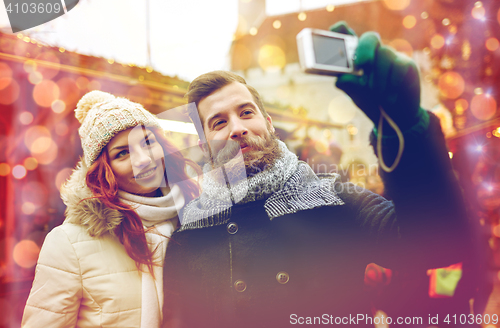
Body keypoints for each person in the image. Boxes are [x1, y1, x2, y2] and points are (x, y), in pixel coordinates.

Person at [162, 22, 476, 328]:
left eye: (246, 112)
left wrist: (408, 132)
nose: (238, 128)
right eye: (218, 122)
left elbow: (438, 244)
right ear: (205, 146)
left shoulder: (333, 196)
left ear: (269, 124)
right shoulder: (190, 231)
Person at [22, 91, 200, 328]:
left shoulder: (195, 219)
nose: (143, 159)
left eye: (147, 142)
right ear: (105, 171)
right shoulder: (70, 243)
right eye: (122, 153)